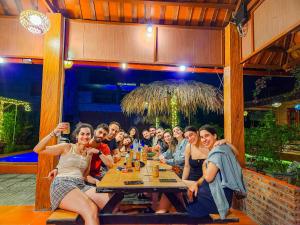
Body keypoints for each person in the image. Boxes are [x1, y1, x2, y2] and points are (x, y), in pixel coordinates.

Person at [33, 123, 109, 225]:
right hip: (63, 183)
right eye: (82, 134)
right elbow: (37, 149)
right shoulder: (67, 147)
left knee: (109, 202)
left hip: (80, 185)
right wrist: (54, 133)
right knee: (91, 209)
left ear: (91, 136)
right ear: (77, 136)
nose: (85, 136)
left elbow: (85, 176)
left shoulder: (88, 153)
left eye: (88, 134)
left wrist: (96, 180)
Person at [187, 125, 246, 219]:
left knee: (183, 206)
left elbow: (208, 178)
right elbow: (236, 153)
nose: (204, 139)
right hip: (212, 198)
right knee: (184, 198)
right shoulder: (221, 149)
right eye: (202, 137)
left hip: (215, 202)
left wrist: (203, 165)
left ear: (214, 136)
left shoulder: (217, 152)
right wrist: (196, 183)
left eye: (207, 136)